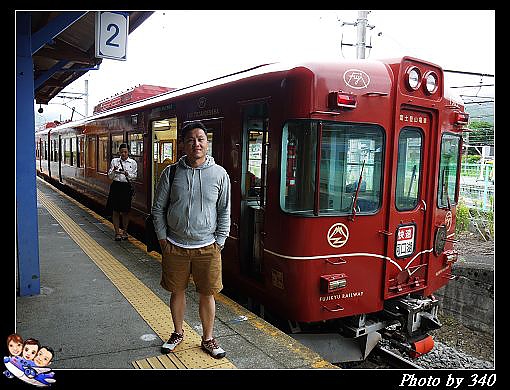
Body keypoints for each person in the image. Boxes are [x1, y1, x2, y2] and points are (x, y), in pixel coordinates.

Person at [152, 121, 231, 359]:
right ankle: (177, 333)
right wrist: (163, 239)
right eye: (190, 140)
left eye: (200, 139)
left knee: (208, 294)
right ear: (183, 145)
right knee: (177, 291)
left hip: (208, 247)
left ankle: (207, 338)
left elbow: (224, 210)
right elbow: (158, 209)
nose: (196, 143)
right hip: (175, 245)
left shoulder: (219, 174)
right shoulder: (171, 172)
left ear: (207, 143)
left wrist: (220, 241)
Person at [107, 143, 138, 241]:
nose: (123, 154)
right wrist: (114, 171)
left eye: (125, 152)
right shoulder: (114, 161)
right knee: (115, 211)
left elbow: (134, 177)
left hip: (126, 187)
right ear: (119, 152)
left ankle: (125, 232)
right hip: (116, 186)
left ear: (128, 152)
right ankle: (117, 233)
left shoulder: (133, 163)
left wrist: (127, 174)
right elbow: (110, 176)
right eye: (121, 152)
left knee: (126, 211)